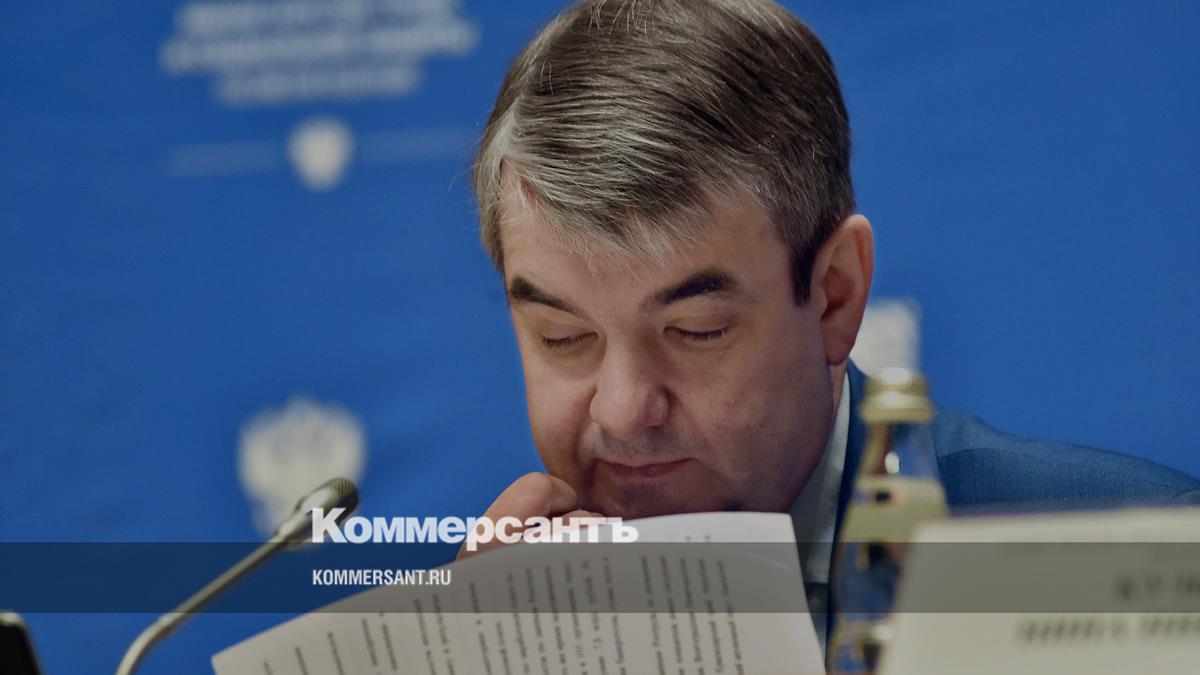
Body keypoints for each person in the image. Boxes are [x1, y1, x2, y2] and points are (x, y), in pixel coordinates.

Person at [459, 0, 1200, 617]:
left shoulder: (1142, 569)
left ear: (836, 295)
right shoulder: (494, 613)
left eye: (695, 331)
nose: (622, 412)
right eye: (563, 336)